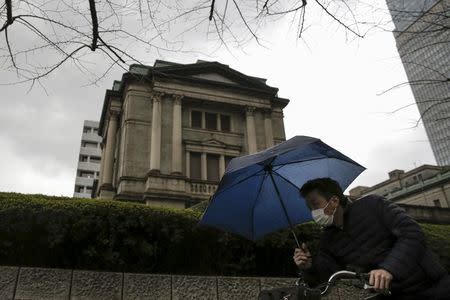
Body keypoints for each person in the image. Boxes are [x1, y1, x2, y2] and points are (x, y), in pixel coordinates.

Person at [293, 177, 450, 300]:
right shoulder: (328, 240)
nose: (314, 212)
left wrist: (388, 269)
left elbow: (412, 233)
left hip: (433, 287)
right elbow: (326, 279)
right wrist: (309, 267)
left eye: (315, 205)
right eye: (310, 208)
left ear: (334, 201)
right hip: (393, 295)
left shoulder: (372, 205)